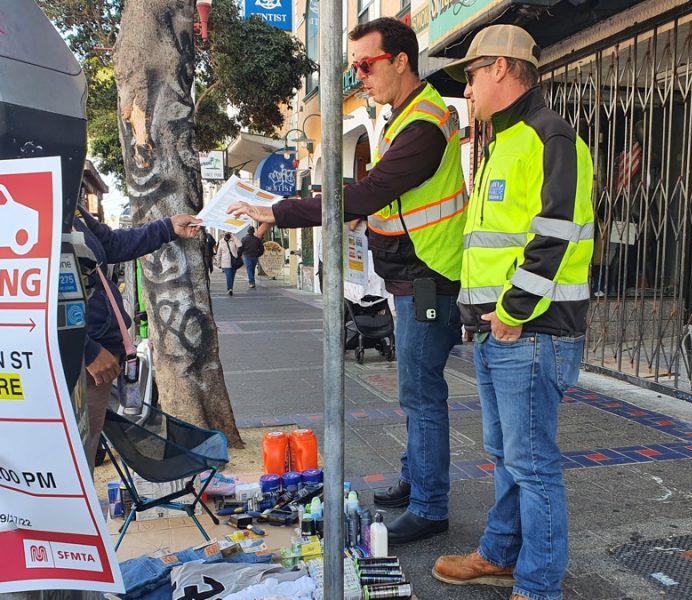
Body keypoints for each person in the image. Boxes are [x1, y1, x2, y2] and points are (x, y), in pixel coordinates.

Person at [227, 17, 466, 545]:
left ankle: (430, 506)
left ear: (400, 60)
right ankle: (416, 477)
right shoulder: (401, 116)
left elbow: (366, 193)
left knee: (421, 392)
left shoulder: (424, 123)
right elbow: (386, 197)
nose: (359, 76)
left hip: (430, 277)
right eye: (353, 66)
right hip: (413, 274)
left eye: (366, 64)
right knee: (416, 390)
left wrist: (281, 210)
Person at [433, 25, 594, 600]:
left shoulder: (548, 136)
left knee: (531, 464)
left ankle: (540, 584)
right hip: (499, 331)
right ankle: (500, 555)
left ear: (501, 68)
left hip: (530, 331)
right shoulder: (504, 141)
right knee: (507, 457)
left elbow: (556, 234)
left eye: (472, 75)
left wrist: (514, 309)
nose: (468, 89)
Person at [72, 204, 201, 468]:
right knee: (70, 458)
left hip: (104, 352)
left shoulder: (69, 203)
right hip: (77, 359)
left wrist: (166, 228)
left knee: (85, 450)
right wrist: (85, 350)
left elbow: (110, 244)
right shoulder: (24, 201)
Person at [216, 231, 242, 295]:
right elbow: (219, 253)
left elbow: (240, 245)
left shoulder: (233, 240)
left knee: (232, 276)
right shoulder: (221, 242)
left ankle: (231, 288)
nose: (226, 234)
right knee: (229, 275)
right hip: (225, 262)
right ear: (223, 234)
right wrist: (218, 263)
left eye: (228, 233)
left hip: (234, 262)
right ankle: (229, 288)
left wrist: (233, 236)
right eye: (225, 233)